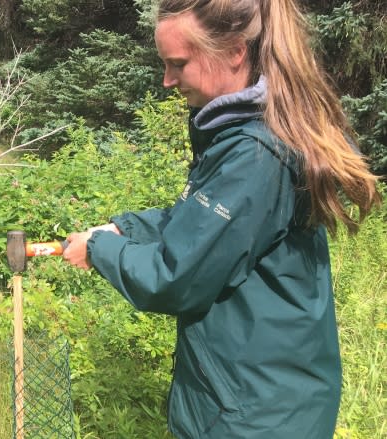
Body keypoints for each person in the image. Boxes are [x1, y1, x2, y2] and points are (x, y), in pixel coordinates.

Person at [62, 0, 382, 437]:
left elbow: (176, 278)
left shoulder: (255, 155)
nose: (167, 80)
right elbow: (202, 222)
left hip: (252, 414)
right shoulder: (246, 134)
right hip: (253, 393)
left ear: (234, 51)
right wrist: (126, 228)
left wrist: (99, 248)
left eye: (178, 63)